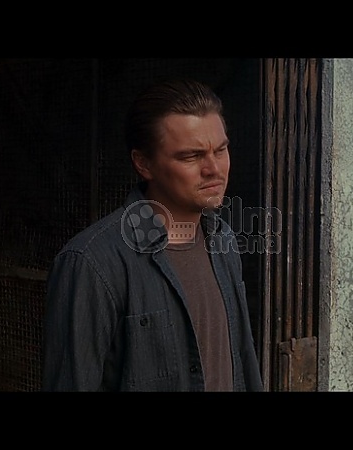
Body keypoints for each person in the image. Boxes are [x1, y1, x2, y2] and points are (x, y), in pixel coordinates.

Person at [42, 79, 263, 391]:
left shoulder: (224, 240)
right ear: (144, 164)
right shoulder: (92, 263)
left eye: (221, 149)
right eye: (191, 156)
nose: (214, 168)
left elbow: (242, 359)